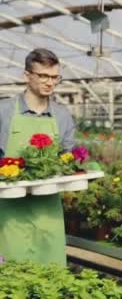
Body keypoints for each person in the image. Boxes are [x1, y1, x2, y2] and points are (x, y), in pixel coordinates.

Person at [0, 48, 76, 265]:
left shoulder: (62, 116)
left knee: (51, 275)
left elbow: (67, 159)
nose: (50, 83)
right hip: (8, 209)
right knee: (11, 276)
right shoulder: (4, 112)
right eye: (43, 75)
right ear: (27, 76)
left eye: (55, 77)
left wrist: (72, 168)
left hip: (48, 209)